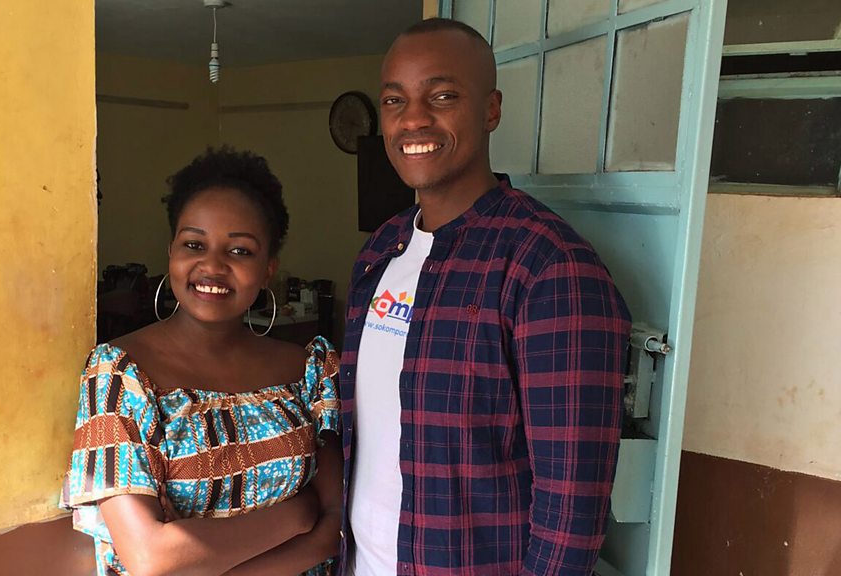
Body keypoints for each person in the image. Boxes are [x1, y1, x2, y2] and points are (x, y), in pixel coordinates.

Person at [339, 18, 632, 575]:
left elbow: (570, 516)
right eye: (395, 100)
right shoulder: (380, 251)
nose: (413, 119)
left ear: (491, 110)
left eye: (442, 96)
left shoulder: (549, 267)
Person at [62, 147, 343, 576]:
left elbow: (331, 533)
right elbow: (151, 558)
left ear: (268, 268)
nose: (212, 265)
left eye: (240, 251)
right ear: (171, 252)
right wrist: (297, 514)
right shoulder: (121, 375)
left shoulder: (308, 373)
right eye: (194, 244)